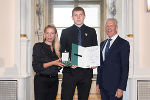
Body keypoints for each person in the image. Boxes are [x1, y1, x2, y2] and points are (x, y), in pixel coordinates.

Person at [60, 7, 98, 100]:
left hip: (86, 73)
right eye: (75, 15)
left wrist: (94, 62)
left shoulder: (91, 31)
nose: (78, 17)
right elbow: (62, 50)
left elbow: (94, 49)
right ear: (72, 17)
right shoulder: (65, 32)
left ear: (84, 16)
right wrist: (68, 63)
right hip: (69, 72)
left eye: (80, 15)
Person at [96, 18, 130, 100]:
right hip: (103, 87)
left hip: (116, 88)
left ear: (116, 28)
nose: (108, 28)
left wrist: (121, 88)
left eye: (111, 25)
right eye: (107, 26)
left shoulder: (123, 44)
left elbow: (125, 68)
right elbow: (100, 66)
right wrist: (98, 83)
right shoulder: (102, 44)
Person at [32, 25, 64, 100]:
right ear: (44, 34)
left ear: (55, 35)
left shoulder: (58, 49)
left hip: (54, 81)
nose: (50, 35)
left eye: (52, 33)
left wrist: (61, 64)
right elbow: (36, 67)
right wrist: (53, 63)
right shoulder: (38, 46)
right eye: (47, 33)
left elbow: (57, 67)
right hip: (41, 81)